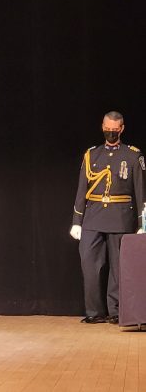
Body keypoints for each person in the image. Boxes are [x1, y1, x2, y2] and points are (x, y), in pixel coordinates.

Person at [70, 111, 145, 325]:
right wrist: (77, 221)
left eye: (114, 130)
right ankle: (95, 311)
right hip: (93, 217)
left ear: (121, 129)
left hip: (121, 216)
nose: (110, 133)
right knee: (90, 263)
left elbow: (140, 192)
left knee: (119, 267)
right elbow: (81, 189)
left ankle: (116, 310)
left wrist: (142, 223)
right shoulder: (91, 155)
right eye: (107, 129)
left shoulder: (133, 155)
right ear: (102, 126)